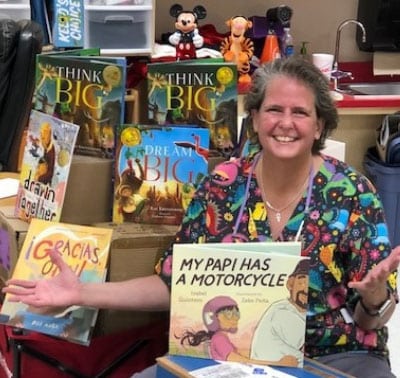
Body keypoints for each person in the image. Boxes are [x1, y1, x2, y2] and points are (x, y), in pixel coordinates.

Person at [3, 56, 400, 378]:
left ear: (319, 125)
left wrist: (375, 297)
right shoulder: (222, 185)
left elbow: (369, 322)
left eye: (300, 112)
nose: (285, 122)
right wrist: (82, 294)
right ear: (257, 119)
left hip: (333, 356)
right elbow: (176, 282)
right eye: (274, 109)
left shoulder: (352, 193)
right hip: (233, 359)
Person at [250, 259, 310, 366]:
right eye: (301, 283)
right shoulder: (283, 312)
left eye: (311, 285)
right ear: (290, 284)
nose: (306, 289)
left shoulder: (297, 311)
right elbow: (297, 359)